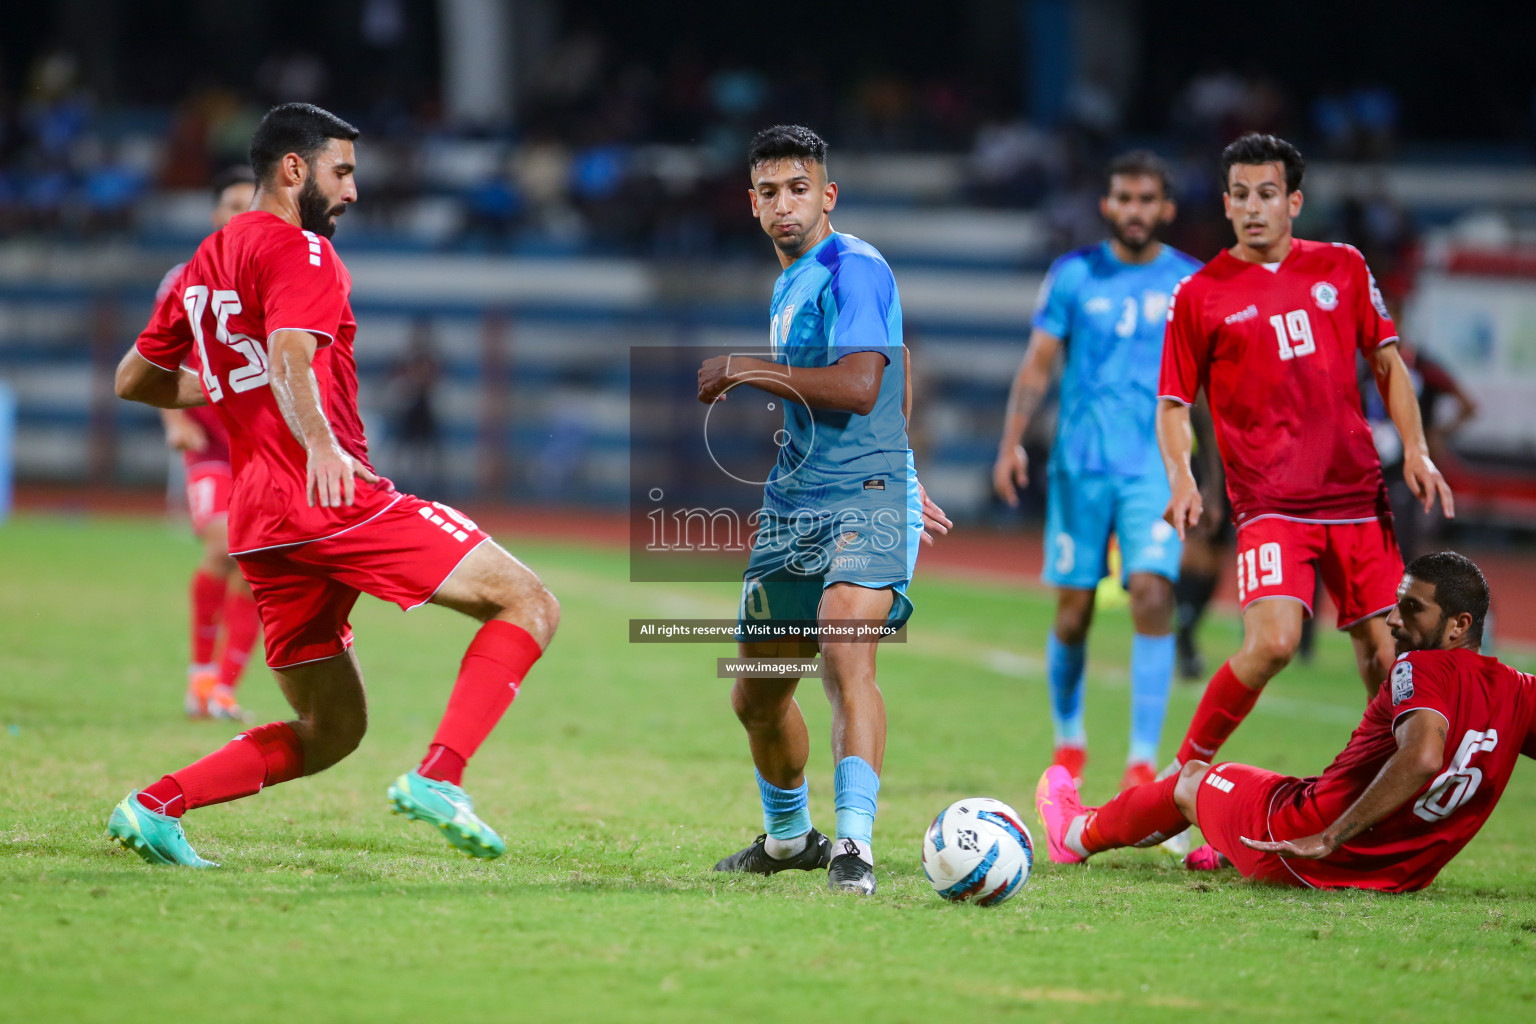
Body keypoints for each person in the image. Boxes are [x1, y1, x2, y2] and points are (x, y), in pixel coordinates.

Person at [107, 103, 560, 867]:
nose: (351, 191)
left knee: (331, 732)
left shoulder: (205, 263)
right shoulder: (304, 251)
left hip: (260, 520)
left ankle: (156, 805)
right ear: (295, 168)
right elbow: (287, 357)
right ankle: (440, 777)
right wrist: (318, 444)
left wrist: (225, 384)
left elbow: (135, 379)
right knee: (529, 602)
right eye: (341, 171)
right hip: (327, 497)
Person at [698, 125, 950, 895]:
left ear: (827, 194)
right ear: (752, 203)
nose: (785, 205)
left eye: (799, 189)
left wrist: (749, 369)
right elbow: (894, 372)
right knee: (758, 696)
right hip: (794, 503)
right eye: (769, 192)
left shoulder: (855, 265)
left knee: (846, 651)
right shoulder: (792, 280)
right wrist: (907, 458)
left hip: (863, 500)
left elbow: (861, 385)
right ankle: (787, 842)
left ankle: (856, 848)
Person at [1156, 133, 1453, 771]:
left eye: (1266, 193)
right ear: (1227, 204)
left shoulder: (1342, 266)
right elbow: (1175, 404)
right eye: (1240, 195)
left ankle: (1387, 785)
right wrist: (1182, 478)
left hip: (1356, 498)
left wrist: (1418, 451)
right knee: (1273, 645)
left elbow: (1387, 362)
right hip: (1270, 503)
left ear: (1294, 201)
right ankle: (1186, 774)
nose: (1252, 207)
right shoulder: (1199, 295)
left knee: (1384, 655)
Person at [1036, 552, 1534, 893]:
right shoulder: (1521, 689)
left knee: (1189, 780)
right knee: (1275, 786)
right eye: (1397, 603)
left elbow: (1423, 755)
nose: (1393, 621)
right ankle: (1225, 849)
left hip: (1309, 847)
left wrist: (1331, 836)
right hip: (1399, 875)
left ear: (1460, 625)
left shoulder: (1420, 666)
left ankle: (1075, 834)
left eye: (1413, 609)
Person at [993, 151, 1204, 791]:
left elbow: (1212, 387)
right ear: (1106, 204)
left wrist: (1209, 476)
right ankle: (1070, 740)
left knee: (1152, 592)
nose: (1134, 211)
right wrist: (1010, 444)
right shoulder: (1073, 275)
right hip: (1080, 464)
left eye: (1147, 200)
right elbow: (1037, 365)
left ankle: (1142, 760)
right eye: (1123, 198)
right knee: (1073, 612)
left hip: (1155, 467)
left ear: (1166, 209)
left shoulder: (1193, 283)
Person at [159, 166, 261, 720]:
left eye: (253, 205)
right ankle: (201, 675)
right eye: (232, 204)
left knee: (258, 563)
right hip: (210, 443)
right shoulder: (188, 277)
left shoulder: (275, 275)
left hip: (262, 444)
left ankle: (223, 687)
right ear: (215, 214)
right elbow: (157, 353)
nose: (242, 214)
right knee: (224, 547)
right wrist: (173, 420)